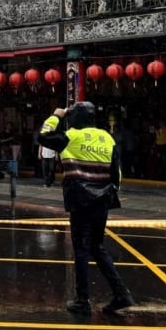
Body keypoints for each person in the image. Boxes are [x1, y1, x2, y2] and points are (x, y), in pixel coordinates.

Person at [40, 102, 135, 317]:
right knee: (97, 246)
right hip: (102, 200)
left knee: (81, 249)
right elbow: (116, 174)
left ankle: (83, 300)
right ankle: (121, 294)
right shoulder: (106, 138)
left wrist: (55, 116)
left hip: (80, 199)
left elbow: (44, 136)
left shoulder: (70, 137)